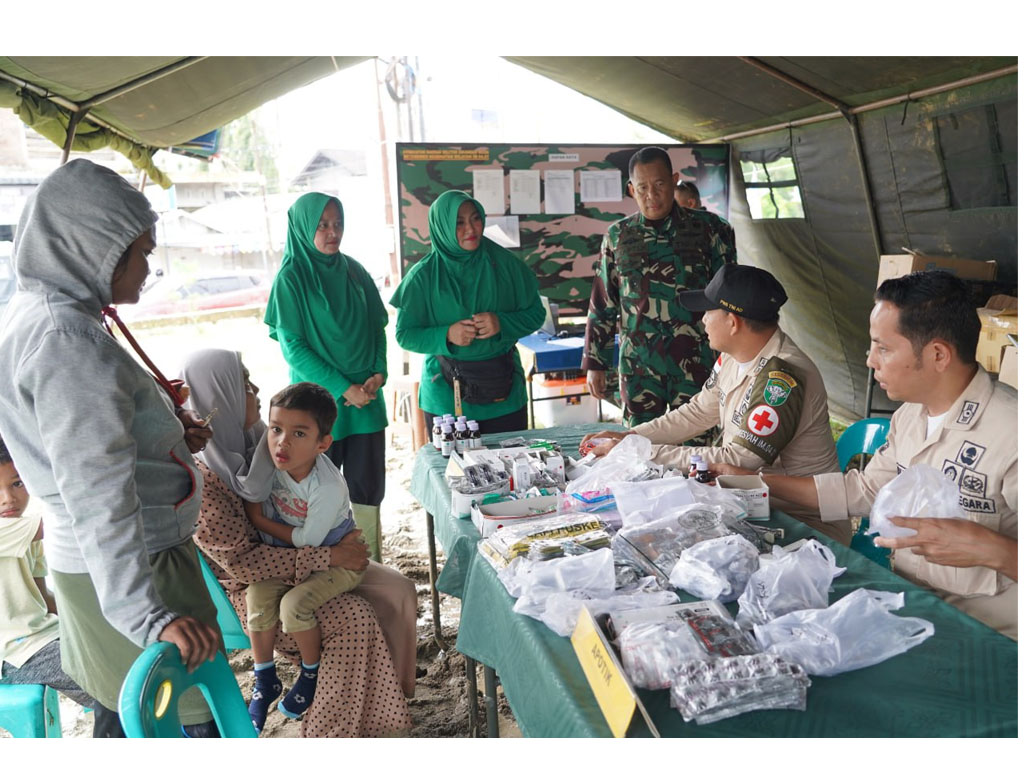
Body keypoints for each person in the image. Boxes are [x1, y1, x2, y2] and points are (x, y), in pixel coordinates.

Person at [0, 159, 220, 737]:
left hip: (104, 567)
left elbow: (83, 447)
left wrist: (167, 437)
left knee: (123, 717)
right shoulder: (66, 342)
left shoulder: (45, 313)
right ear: (93, 247)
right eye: (140, 251)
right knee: (186, 726)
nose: (150, 266)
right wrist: (148, 617)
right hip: (133, 568)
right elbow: (99, 496)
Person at [710, 271, 1017, 639]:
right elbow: (868, 491)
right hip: (913, 606)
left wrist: (991, 550)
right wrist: (759, 483)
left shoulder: (1011, 432)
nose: (870, 361)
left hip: (989, 635)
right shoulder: (911, 415)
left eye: (883, 348)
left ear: (937, 354)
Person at [182, 348, 416, 737]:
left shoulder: (255, 439)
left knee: (399, 590)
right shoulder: (205, 480)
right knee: (353, 619)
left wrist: (333, 553)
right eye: (243, 384)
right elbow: (242, 565)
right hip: (254, 586)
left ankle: (386, 708)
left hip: (306, 558)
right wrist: (331, 555)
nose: (255, 389)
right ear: (220, 400)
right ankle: (330, 730)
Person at [580, 264, 849, 544]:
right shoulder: (735, 356)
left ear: (733, 322)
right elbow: (696, 413)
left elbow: (739, 460)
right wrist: (630, 437)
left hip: (802, 524)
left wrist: (639, 452)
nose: (703, 320)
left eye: (709, 312)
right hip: (755, 506)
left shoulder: (782, 377)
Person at [264, 192, 389, 561]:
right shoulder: (291, 278)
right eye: (322, 224)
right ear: (304, 228)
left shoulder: (354, 270)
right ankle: (324, 564)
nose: (331, 232)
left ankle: (364, 562)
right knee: (314, 490)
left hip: (365, 400)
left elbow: (377, 326)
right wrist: (342, 388)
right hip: (316, 406)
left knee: (367, 488)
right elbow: (294, 347)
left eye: (337, 224)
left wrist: (378, 372)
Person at [241, 382, 367, 731]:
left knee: (293, 606)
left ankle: (310, 674)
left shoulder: (326, 486)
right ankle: (264, 677)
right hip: (293, 556)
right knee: (257, 595)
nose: (282, 442)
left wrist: (258, 519)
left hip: (338, 558)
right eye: (276, 429)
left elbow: (309, 540)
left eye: (299, 434)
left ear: (323, 444)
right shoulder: (273, 456)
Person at [583, 147, 737, 428]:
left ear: (674, 179)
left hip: (697, 363)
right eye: (642, 188)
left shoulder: (713, 230)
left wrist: (734, 359)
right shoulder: (618, 236)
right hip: (640, 368)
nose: (651, 195)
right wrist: (595, 364)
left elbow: (728, 301)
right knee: (640, 450)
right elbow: (603, 302)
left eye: (660, 185)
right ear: (631, 189)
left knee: (698, 452)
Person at [390, 189, 545, 434]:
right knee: (453, 470)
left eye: (475, 218)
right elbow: (405, 335)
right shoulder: (423, 276)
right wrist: (446, 335)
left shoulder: (507, 265)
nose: (471, 229)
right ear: (441, 226)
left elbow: (535, 314)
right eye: (459, 222)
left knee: (511, 466)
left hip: (504, 394)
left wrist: (502, 323)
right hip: (445, 397)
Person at [1, 437, 98, 715]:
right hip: (14, 654)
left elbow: (44, 598)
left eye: (17, 483)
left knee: (114, 654)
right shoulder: (24, 529)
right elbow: (65, 522)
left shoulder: (23, 530)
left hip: (43, 635)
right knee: (105, 682)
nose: (8, 498)